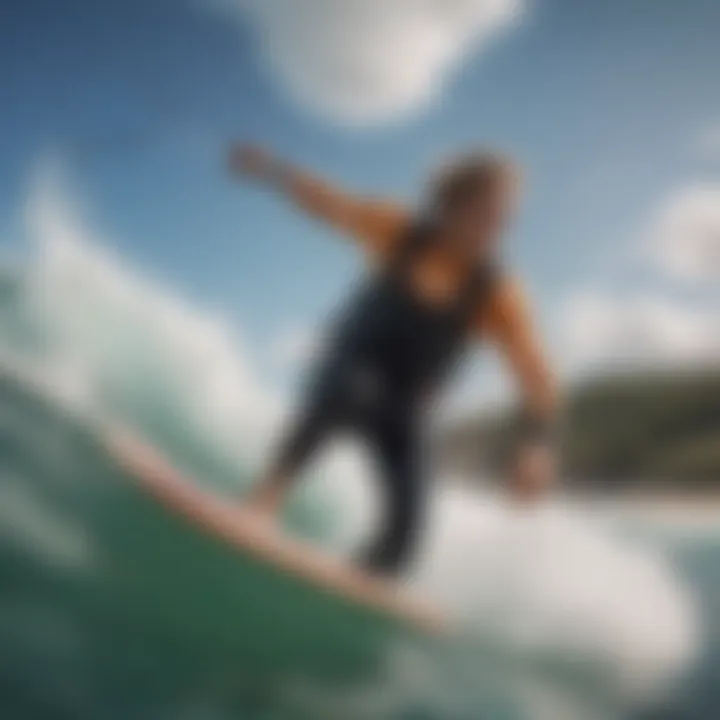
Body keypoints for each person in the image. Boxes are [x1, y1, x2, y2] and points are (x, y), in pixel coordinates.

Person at [228, 143, 559, 576]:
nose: (503, 224)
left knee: (406, 536)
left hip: (403, 409)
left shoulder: (498, 294)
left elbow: (536, 378)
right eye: (492, 210)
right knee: (353, 387)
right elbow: (331, 203)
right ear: (456, 202)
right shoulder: (399, 229)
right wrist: (271, 169)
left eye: (507, 215)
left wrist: (536, 445)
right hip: (348, 373)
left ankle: (368, 575)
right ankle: (264, 501)